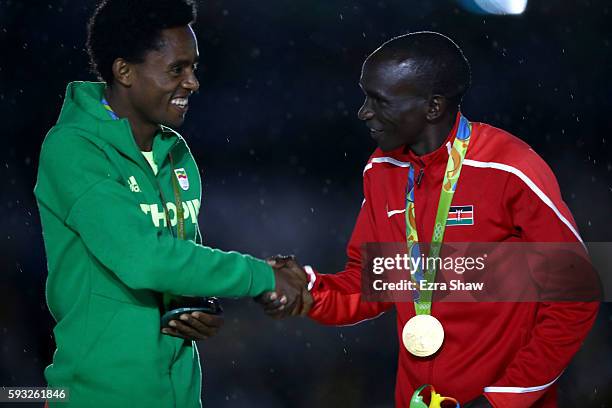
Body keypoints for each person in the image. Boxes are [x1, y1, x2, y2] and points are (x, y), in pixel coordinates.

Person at [258, 32, 599, 407]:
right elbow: (373, 281)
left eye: (379, 100)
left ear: (433, 107)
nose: (364, 112)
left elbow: (576, 293)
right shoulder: (382, 169)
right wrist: (307, 290)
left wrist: (506, 398)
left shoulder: (509, 169)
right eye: (365, 95)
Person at [34, 0, 306, 406]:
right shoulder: (74, 149)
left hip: (179, 393)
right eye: (177, 69)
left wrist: (196, 305)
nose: (193, 82)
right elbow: (144, 258)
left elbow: (180, 262)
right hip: (97, 394)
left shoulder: (175, 152)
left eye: (193, 67)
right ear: (124, 71)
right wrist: (261, 275)